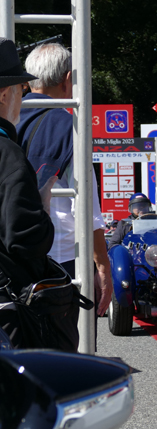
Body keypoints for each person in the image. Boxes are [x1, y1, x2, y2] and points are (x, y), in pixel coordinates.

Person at [17, 42, 112, 318]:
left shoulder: (8, 119)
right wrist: (102, 267)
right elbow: (86, 212)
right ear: (68, 79)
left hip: (10, 258)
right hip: (61, 263)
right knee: (62, 342)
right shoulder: (72, 131)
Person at [0, 37, 55, 349]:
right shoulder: (7, 154)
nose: (23, 97)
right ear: (4, 94)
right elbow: (26, 239)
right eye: (21, 89)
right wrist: (43, 210)